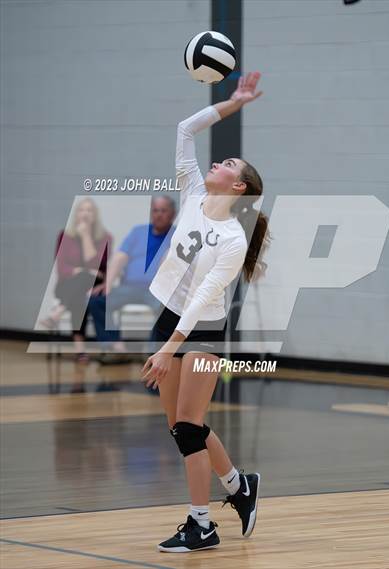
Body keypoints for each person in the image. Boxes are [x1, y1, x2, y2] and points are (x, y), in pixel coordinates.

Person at [140, 72, 271, 553]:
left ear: (237, 185)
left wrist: (168, 350)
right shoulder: (193, 192)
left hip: (203, 328)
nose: (217, 161)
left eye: (228, 163)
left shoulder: (234, 239)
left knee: (189, 426)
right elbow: (184, 129)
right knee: (180, 427)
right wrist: (234, 102)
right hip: (169, 315)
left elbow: (201, 301)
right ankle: (238, 485)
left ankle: (202, 524)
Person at [88, 196, 175, 354]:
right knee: (97, 300)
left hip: (157, 290)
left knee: (167, 309)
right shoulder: (138, 232)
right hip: (128, 287)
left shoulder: (177, 235)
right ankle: (115, 347)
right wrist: (107, 285)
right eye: (155, 210)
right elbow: (120, 257)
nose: (159, 215)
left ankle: (153, 353)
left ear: (172, 214)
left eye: (163, 211)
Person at [43, 197, 112, 361]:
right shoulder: (64, 236)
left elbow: (98, 265)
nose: (85, 214)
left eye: (89, 210)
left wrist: (86, 237)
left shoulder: (105, 237)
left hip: (93, 285)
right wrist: (82, 270)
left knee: (82, 290)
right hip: (66, 285)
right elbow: (61, 267)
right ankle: (80, 348)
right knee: (81, 291)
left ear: (95, 215)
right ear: (76, 214)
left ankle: (59, 313)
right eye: (82, 210)